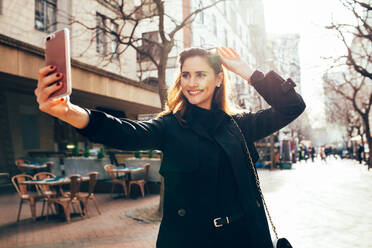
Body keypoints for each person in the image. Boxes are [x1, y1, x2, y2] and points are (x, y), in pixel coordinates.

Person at [35, 47, 306, 248]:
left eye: (201, 74)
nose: (191, 82)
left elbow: (292, 106)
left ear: (219, 79)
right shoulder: (169, 126)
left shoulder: (240, 126)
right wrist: (70, 112)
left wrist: (248, 72)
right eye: (186, 75)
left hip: (247, 239)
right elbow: (126, 132)